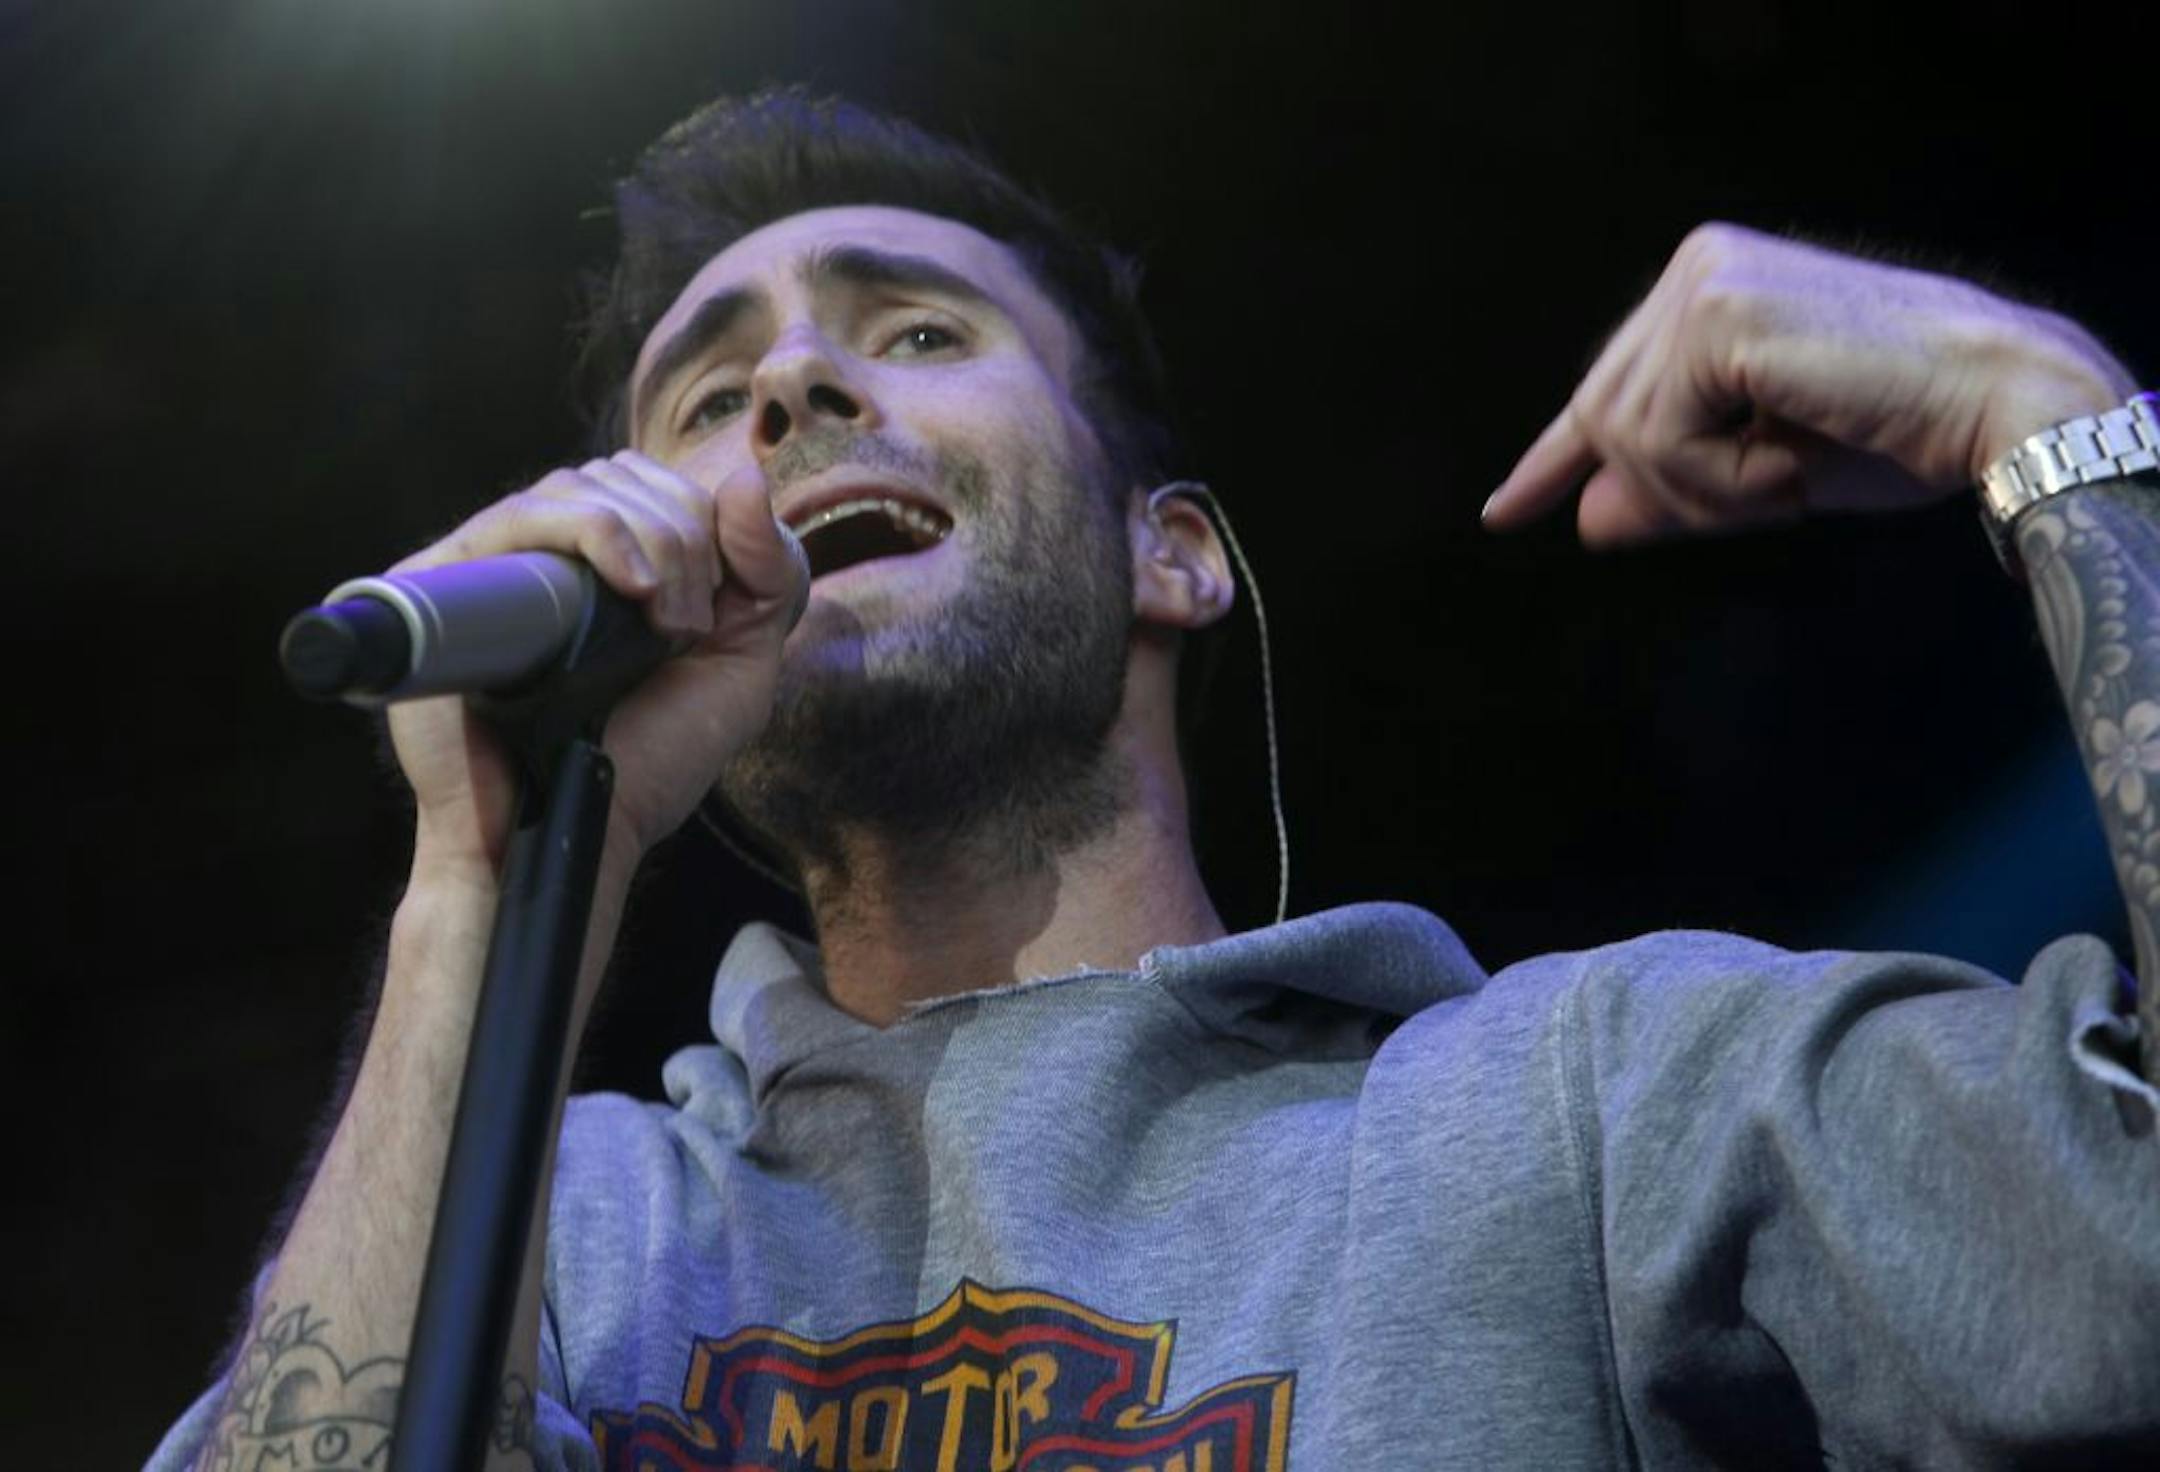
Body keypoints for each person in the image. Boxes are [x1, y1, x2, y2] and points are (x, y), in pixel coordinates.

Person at [150, 90, 2159, 1471]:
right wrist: (485, 886)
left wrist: (2057, 425)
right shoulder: (566, 1241)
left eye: (916, 328)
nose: (789, 394)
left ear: (1171, 551)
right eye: (709, 396)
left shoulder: (1584, 1108)